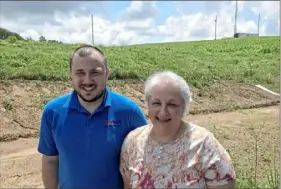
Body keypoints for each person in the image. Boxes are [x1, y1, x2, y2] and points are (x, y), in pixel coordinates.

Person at [37, 45, 148, 189]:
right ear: (71, 74)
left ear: (107, 74)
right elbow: (50, 161)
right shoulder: (53, 112)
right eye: (80, 73)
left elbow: (145, 162)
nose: (87, 80)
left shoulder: (130, 112)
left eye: (95, 73)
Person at [120, 71, 236, 189]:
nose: (163, 112)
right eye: (156, 103)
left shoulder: (204, 145)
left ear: (184, 108)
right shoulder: (132, 142)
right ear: (148, 105)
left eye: (172, 105)